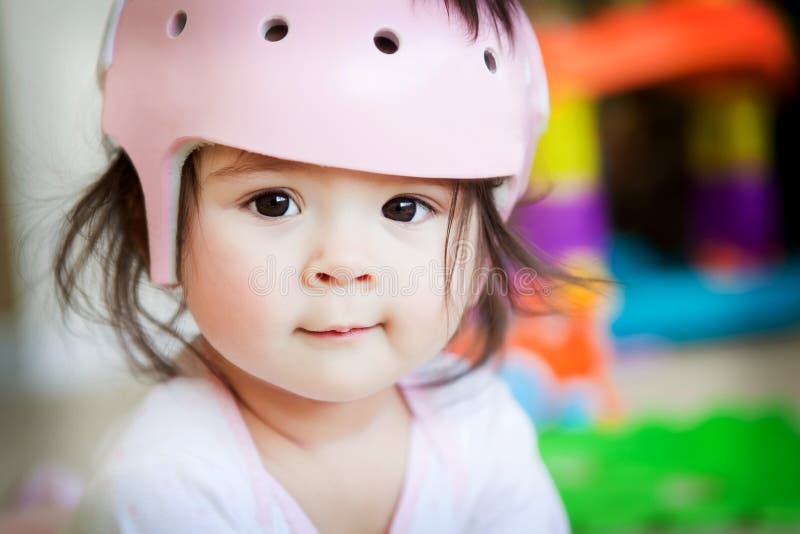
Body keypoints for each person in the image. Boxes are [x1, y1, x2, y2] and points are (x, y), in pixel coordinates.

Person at [54, 0, 575, 531]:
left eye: (405, 207)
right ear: (153, 224)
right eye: (273, 202)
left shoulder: (480, 423)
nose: (344, 265)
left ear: (480, 249)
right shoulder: (162, 488)